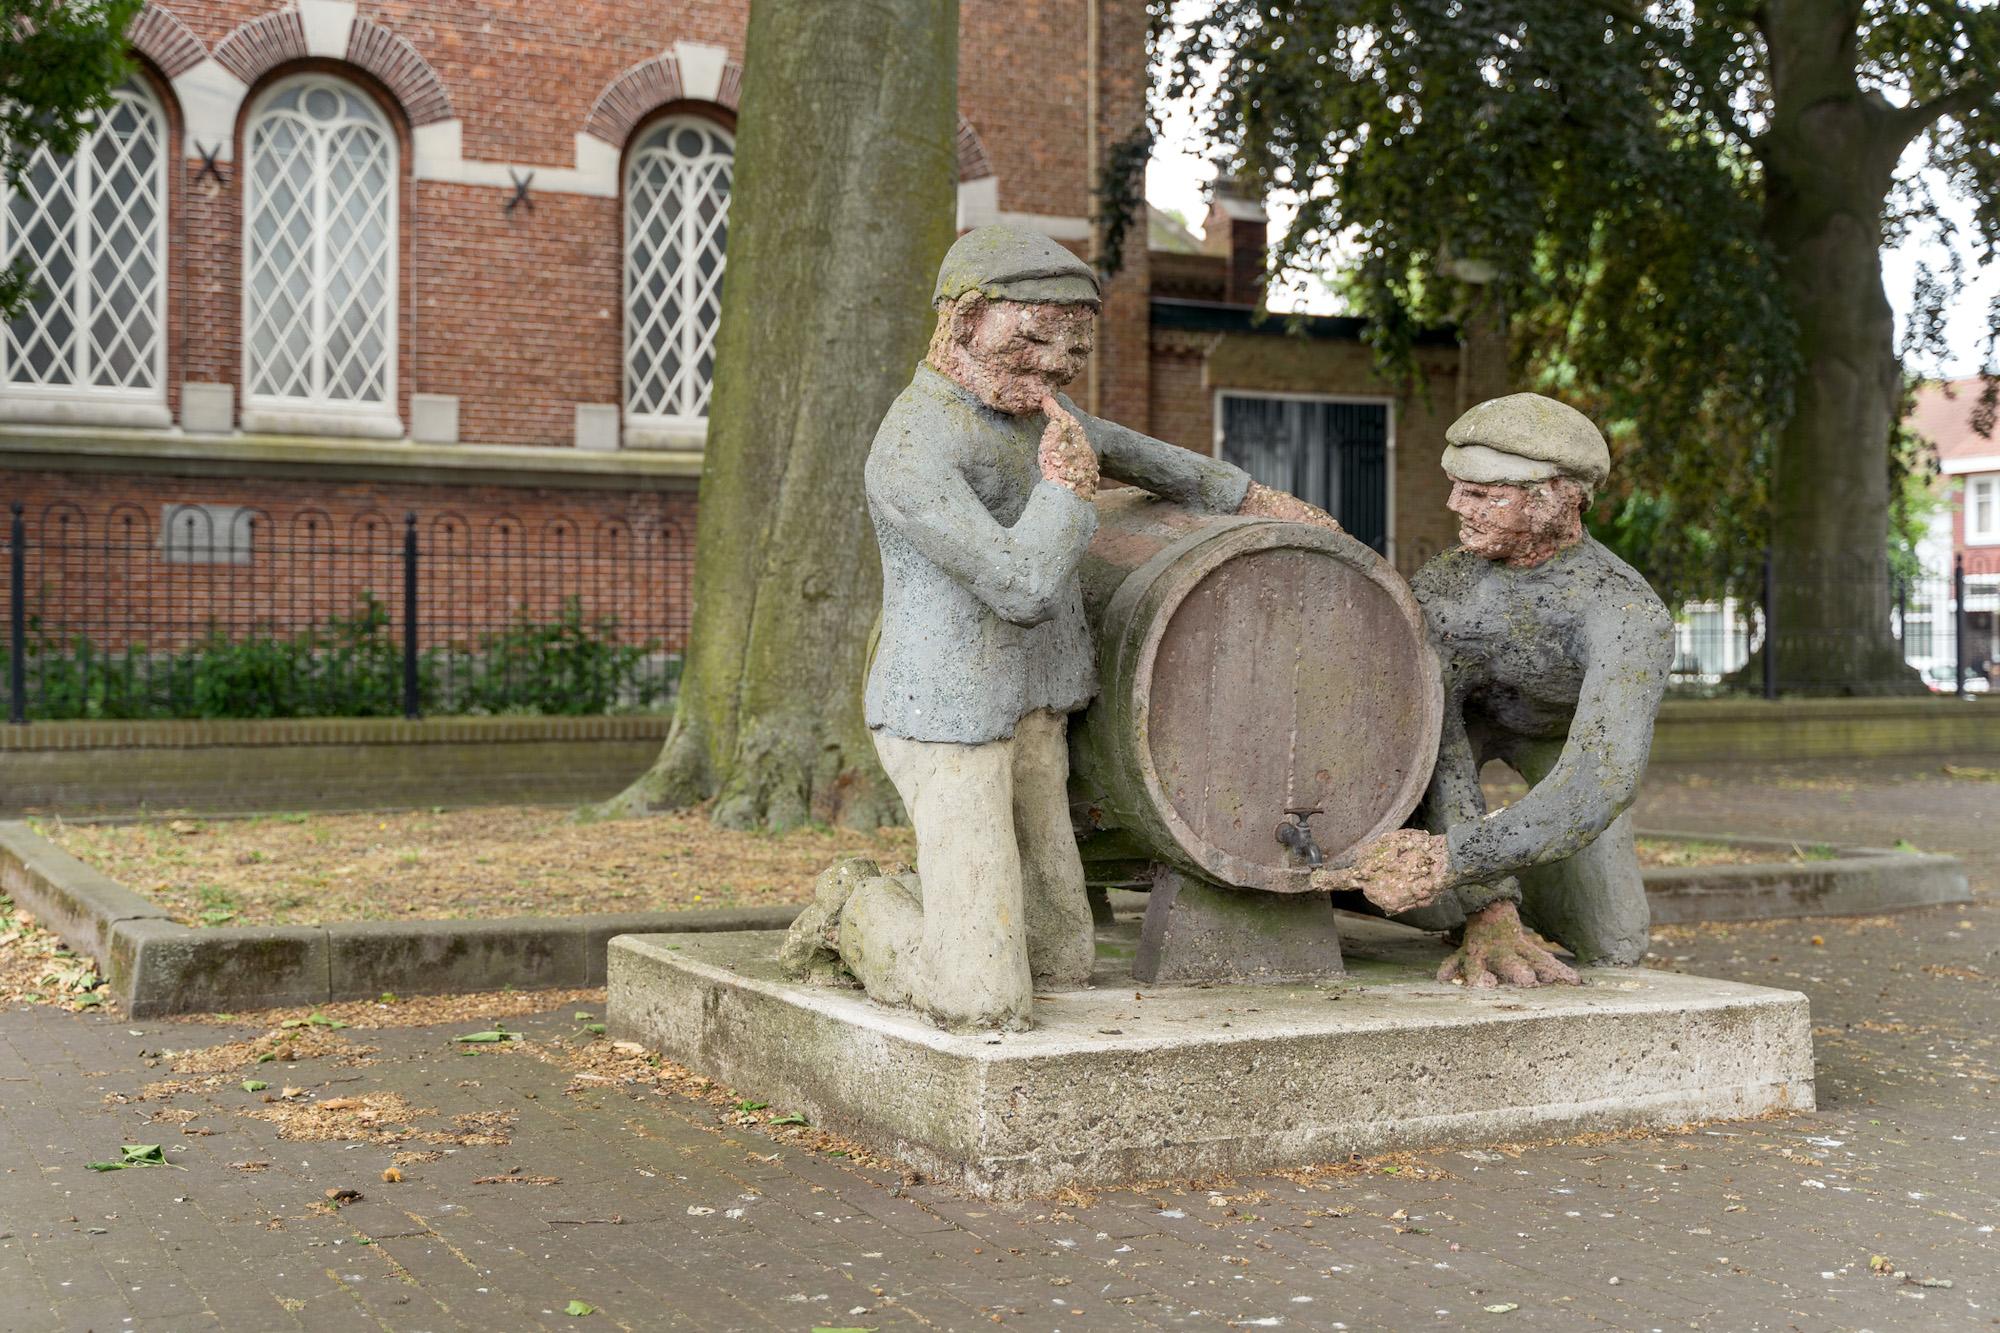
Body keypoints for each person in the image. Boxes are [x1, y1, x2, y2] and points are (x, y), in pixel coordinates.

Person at [779, 224, 1338, 1029]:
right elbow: (1022, 584)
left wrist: (1261, 503)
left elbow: (1137, 453)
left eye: (1073, 349)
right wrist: (1068, 494)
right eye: (1035, 339)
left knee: (1062, 957)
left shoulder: (1037, 413)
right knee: (981, 1000)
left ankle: (949, 905)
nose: (1052, 366)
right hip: (951, 717)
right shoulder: (911, 446)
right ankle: (857, 908)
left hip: (1036, 705)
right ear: (965, 319)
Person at [1316, 393, 1674, 987]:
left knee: (1614, 939)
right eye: (1458, 486)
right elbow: (1439, 734)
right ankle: (1385, 888)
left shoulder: (1625, 613)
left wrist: (1455, 859)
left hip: (1559, 743)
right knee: (1433, 827)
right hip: (1456, 736)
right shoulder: (1450, 585)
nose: (1457, 505)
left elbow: (1599, 779)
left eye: (1485, 495)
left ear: (1559, 497)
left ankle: (1457, 881)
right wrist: (1489, 906)